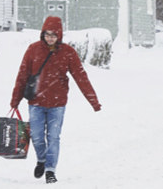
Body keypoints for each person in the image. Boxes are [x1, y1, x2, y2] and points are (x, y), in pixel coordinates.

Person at [10, 16, 101, 184]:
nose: (50, 37)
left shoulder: (68, 52)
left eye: (54, 35)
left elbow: (81, 77)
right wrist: (15, 99)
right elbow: (22, 75)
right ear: (42, 34)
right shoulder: (33, 49)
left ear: (59, 35)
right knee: (36, 136)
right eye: (47, 34)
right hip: (36, 102)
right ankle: (42, 160)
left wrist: (93, 101)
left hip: (57, 103)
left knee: (53, 137)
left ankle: (50, 170)